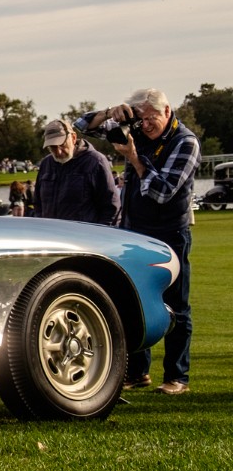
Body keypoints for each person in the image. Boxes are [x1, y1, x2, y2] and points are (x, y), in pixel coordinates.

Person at [75, 88, 199, 395]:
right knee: (134, 301)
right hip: (135, 231)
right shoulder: (136, 129)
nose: (144, 125)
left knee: (176, 307)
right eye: (139, 118)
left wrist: (133, 157)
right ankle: (137, 372)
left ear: (167, 111)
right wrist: (110, 114)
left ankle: (176, 378)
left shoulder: (185, 142)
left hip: (171, 232)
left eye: (150, 118)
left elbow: (163, 192)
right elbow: (80, 125)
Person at [31, 119, 119, 225]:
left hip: (84, 237)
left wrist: (99, 237)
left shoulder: (95, 162)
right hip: (51, 236)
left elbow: (111, 208)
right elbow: (38, 203)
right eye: (52, 148)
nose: (58, 152)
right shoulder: (46, 164)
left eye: (62, 145)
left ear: (73, 138)